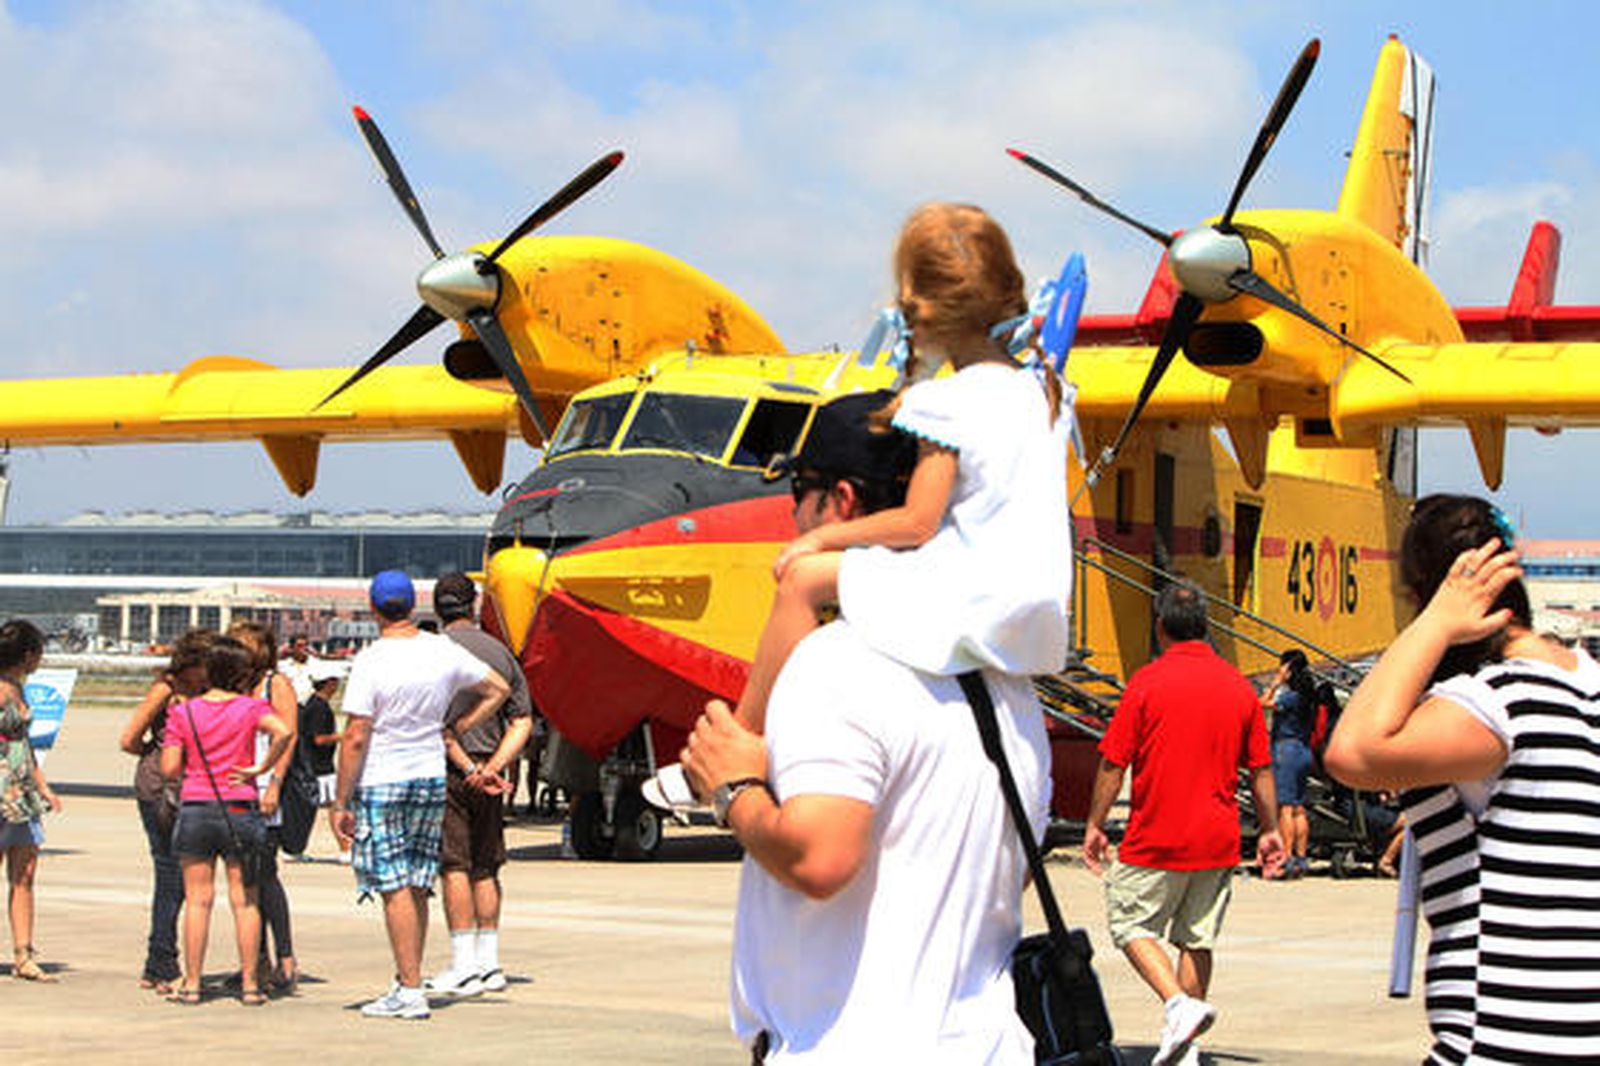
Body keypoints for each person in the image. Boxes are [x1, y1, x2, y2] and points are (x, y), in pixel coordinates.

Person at [650, 201, 1072, 806]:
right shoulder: (1039, 391)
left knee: (802, 581)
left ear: (923, 308)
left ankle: (742, 739)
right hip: (1032, 608)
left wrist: (817, 539)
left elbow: (918, 521)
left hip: (971, 598)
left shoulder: (945, 404)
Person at [681, 390, 1050, 1062]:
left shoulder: (838, 665)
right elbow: (1004, 871)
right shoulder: (1009, 687)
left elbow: (822, 858)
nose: (793, 513)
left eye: (800, 490)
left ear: (842, 502)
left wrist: (733, 789)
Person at [1324, 494, 1600, 1063]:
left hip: (1507, 1033)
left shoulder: (1496, 702)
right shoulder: (1587, 685)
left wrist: (1435, 626)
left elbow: (1352, 752)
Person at [1082, 581, 1284, 1066]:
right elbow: (1261, 768)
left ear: (1160, 626)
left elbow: (1114, 762)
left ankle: (1178, 1007)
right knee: (1196, 939)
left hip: (1158, 834)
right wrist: (1271, 828)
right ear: (1205, 627)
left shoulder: (1146, 683)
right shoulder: (1240, 688)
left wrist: (1095, 822)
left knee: (1128, 922)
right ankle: (1185, 1046)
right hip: (1218, 837)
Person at [331, 569, 511, 1020]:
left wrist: (339, 800)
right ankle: (407, 977)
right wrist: (454, 727)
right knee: (417, 880)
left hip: (384, 777)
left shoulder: (372, 659)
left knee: (393, 885)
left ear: (374, 609)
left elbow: (356, 734)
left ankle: (410, 989)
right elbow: (498, 689)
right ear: (413, 606)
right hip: (429, 775)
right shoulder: (440, 650)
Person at [160, 635, 292, 1005]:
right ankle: (251, 984)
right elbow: (284, 732)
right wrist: (260, 768)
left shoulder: (183, 712)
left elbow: (170, 768)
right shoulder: (251, 708)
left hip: (197, 806)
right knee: (245, 901)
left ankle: (192, 983)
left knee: (198, 900)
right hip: (239, 807)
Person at [425, 571, 534, 998]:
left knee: (454, 865)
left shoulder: (431, 651)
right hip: (493, 772)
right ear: (474, 604)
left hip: (448, 770)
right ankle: (489, 964)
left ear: (437, 608)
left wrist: (468, 767)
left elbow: (431, 723)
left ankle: (463, 962)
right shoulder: (501, 653)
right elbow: (521, 720)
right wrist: (494, 768)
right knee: (486, 866)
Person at [119, 628, 214, 993]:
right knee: (171, 872)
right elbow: (128, 738)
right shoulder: (166, 689)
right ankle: (161, 960)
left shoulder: (206, 692)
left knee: (182, 877)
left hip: (191, 786)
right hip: (160, 787)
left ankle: (159, 961)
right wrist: (155, 754)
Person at [229, 619, 300, 993]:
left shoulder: (276, 684)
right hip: (235, 792)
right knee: (242, 879)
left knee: (265, 874)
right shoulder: (233, 684)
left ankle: (284, 957)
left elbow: (288, 737)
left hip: (264, 788)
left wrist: (274, 782)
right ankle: (254, 959)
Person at [0, 620, 63, 983]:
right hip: (3, 790)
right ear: (27, 654)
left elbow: (23, 746)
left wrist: (42, 786)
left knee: (24, 875)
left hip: (21, 791)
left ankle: (24, 953)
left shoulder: (18, 689)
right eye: (39, 651)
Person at [1262, 648, 1316, 878]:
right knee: (1299, 807)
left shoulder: (1290, 697)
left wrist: (1275, 683)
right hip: (1303, 750)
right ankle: (1301, 857)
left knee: (1285, 806)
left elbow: (1262, 703)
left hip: (1286, 749)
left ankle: (1286, 856)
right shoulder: (1309, 696)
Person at [277, 633, 318, 705]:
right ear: (292, 648)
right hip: (289, 705)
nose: (303, 649)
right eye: (299, 646)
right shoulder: (282, 666)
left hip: (310, 706)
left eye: (305, 646)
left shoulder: (315, 664)